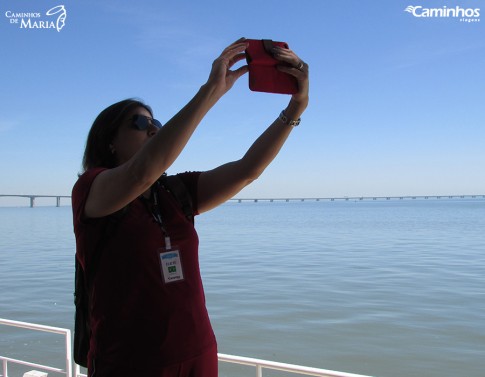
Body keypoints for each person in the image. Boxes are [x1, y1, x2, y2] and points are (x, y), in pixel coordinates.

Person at [72, 37, 309, 377]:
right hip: (128, 363)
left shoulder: (173, 192)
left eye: (156, 123)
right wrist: (210, 91)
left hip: (198, 354)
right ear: (109, 140)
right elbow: (141, 172)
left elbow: (248, 170)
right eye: (140, 123)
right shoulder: (91, 189)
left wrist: (296, 107)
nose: (153, 128)